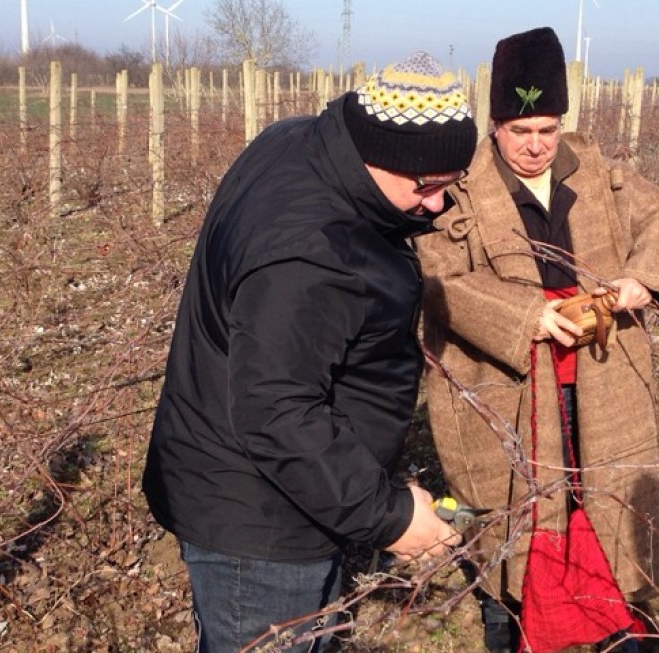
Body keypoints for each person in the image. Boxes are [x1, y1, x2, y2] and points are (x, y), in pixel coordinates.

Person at [142, 52, 478, 653]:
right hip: (259, 521)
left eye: (450, 186)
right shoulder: (308, 253)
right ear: (379, 154)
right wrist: (392, 519)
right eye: (426, 187)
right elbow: (278, 414)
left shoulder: (299, 142)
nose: (437, 206)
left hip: (278, 488)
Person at [416, 28, 659, 653]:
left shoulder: (594, 169)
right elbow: (438, 276)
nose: (536, 146)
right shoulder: (458, 189)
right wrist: (528, 317)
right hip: (510, 383)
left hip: (602, 374)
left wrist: (641, 280)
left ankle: (617, 615)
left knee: (607, 494)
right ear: (493, 123)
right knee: (516, 503)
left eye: (547, 128)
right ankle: (510, 614)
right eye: (520, 131)